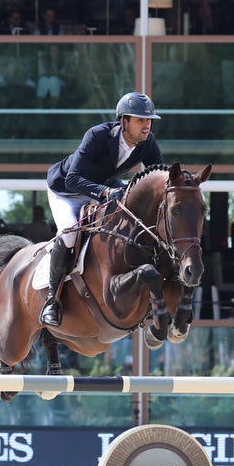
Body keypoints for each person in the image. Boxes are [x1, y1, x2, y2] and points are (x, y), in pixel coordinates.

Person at [39, 92, 163, 327]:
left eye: (149, 120)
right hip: (66, 191)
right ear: (123, 121)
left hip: (103, 188)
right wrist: (106, 193)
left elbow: (158, 177)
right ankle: (51, 302)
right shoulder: (97, 135)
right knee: (69, 234)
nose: (146, 125)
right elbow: (73, 180)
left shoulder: (148, 143)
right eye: (140, 120)